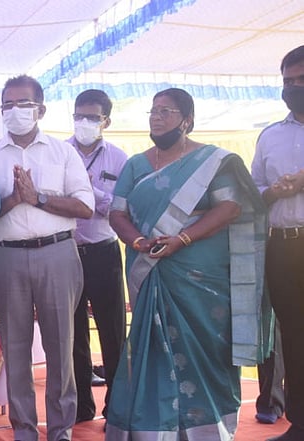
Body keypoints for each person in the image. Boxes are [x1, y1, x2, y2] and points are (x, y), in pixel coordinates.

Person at [105, 87, 269, 440]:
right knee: (151, 350)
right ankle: (154, 430)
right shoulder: (136, 164)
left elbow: (231, 207)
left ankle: (210, 430)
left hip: (200, 273)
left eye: (166, 110)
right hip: (151, 268)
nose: (156, 116)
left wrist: (181, 239)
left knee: (205, 349)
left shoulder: (212, 161)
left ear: (187, 120)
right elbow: (116, 212)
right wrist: (137, 241)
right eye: (153, 110)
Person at [0, 74, 93, 441]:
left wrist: (38, 198)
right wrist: (14, 199)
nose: (15, 112)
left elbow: (85, 206)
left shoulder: (63, 152)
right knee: (14, 349)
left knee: (60, 347)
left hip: (57, 254)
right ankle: (25, 432)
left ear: (41, 109)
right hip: (8, 257)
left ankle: (60, 431)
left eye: (23, 104)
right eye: (8, 105)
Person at [251, 44, 304, 441]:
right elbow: (253, 192)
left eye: (301, 80)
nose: (294, 88)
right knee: (294, 336)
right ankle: (300, 423)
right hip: (283, 247)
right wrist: (274, 191)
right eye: (288, 81)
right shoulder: (270, 136)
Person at [65, 89, 127, 423]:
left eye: (91, 117)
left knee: (112, 331)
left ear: (106, 121)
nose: (83, 123)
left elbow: (121, 207)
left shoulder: (119, 158)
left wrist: (91, 192)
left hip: (104, 252)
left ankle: (117, 408)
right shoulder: (59, 152)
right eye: (78, 116)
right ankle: (80, 407)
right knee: (72, 334)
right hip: (66, 252)